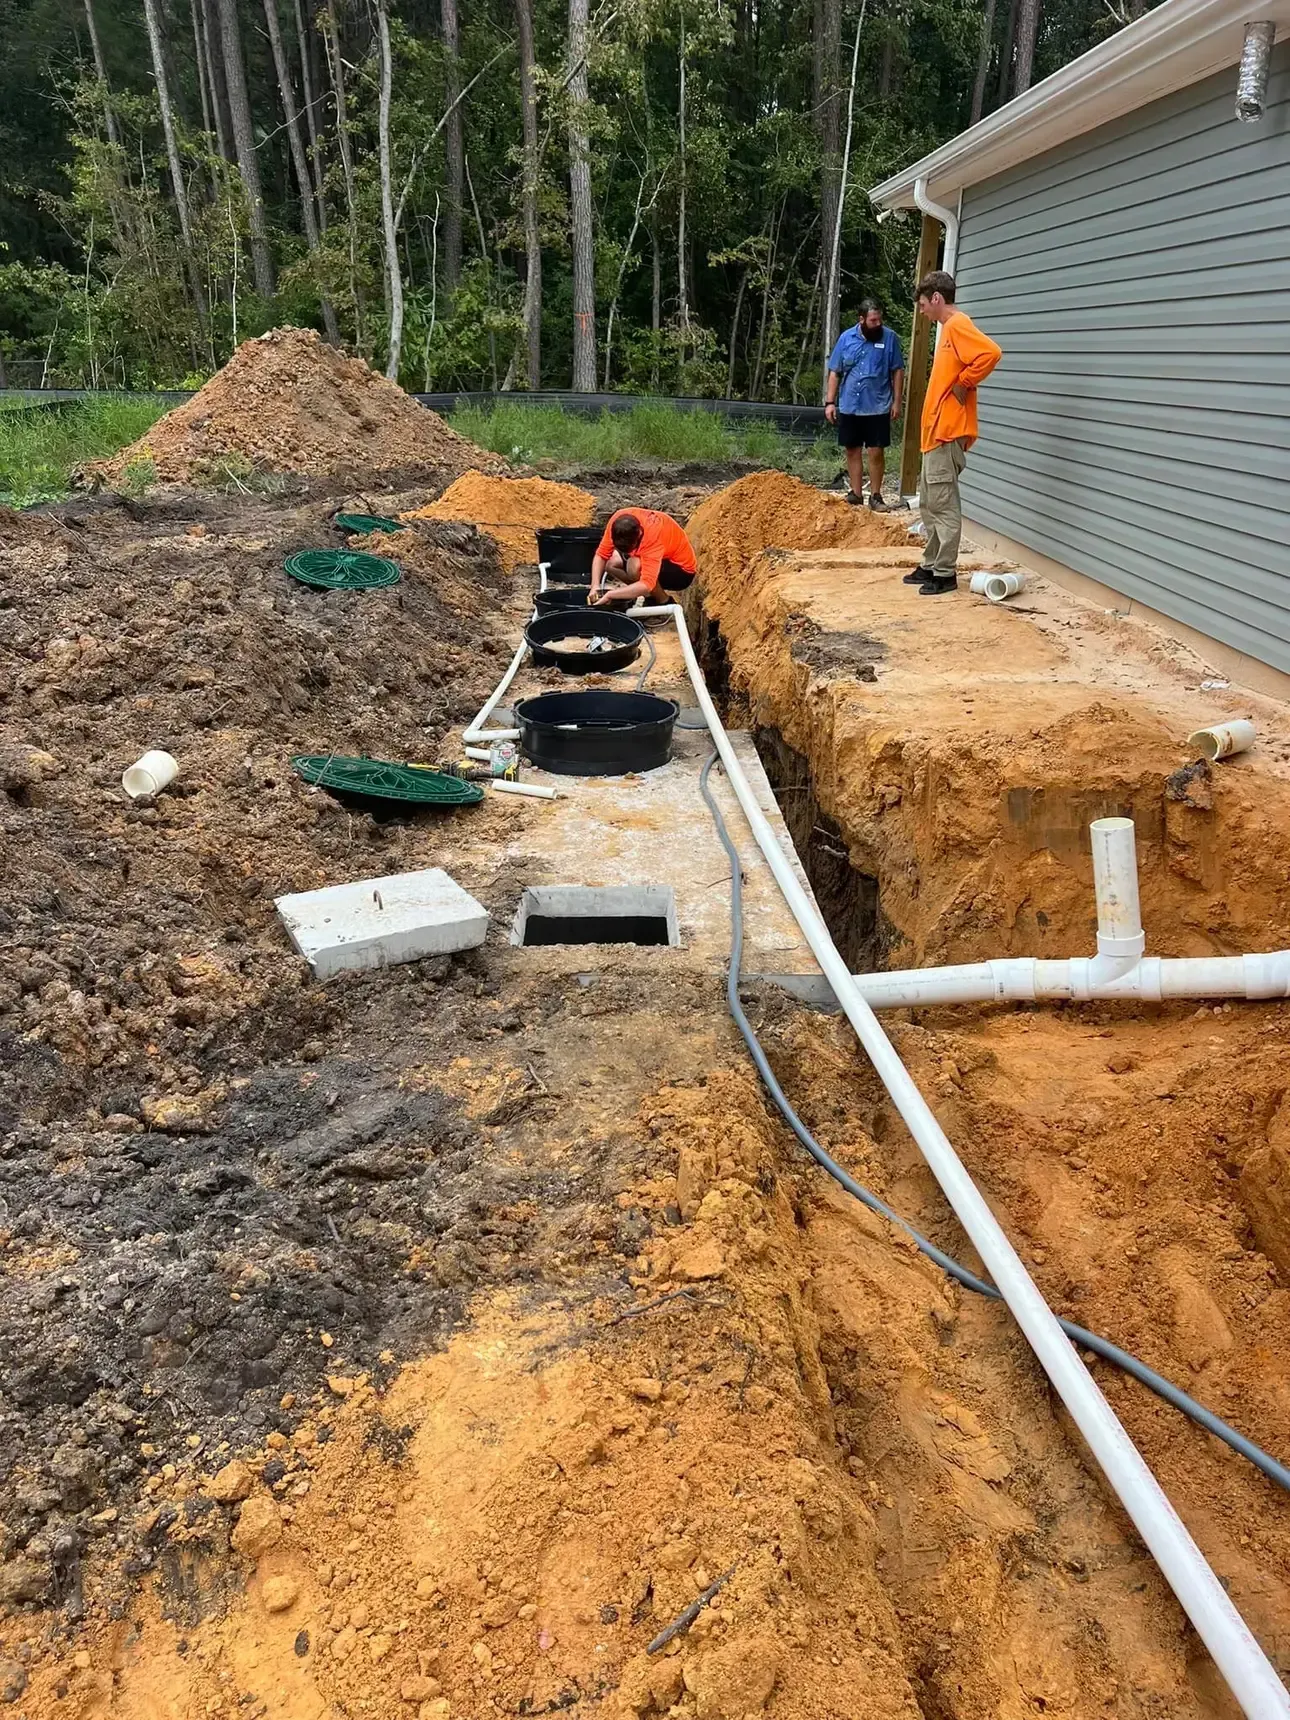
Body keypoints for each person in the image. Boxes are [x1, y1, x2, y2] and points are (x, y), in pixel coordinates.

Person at [906, 269, 1002, 597]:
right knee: (931, 503)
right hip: (935, 434)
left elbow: (990, 353)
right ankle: (930, 563)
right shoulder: (947, 329)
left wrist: (965, 383)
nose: (921, 310)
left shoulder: (958, 324)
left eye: (922, 303)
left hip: (947, 434)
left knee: (943, 504)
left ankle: (944, 573)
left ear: (937, 298)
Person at [823, 298, 905, 511]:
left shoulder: (890, 339)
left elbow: (897, 370)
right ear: (862, 320)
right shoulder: (846, 339)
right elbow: (835, 371)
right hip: (851, 404)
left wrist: (897, 401)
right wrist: (830, 402)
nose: (877, 324)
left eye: (879, 319)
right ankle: (856, 494)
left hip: (877, 405)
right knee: (852, 449)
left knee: (876, 451)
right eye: (873, 320)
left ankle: (876, 496)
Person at [589, 509, 697, 608]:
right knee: (611, 562)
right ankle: (644, 594)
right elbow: (601, 555)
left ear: (639, 534)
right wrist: (595, 586)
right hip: (660, 556)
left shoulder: (653, 537)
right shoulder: (617, 521)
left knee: (634, 565)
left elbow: (647, 584)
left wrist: (611, 595)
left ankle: (663, 602)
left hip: (681, 571)